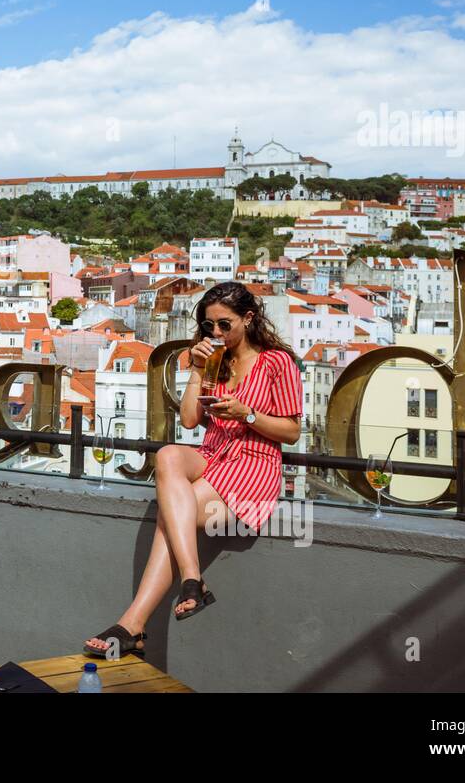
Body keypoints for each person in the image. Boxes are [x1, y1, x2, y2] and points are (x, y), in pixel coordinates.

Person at [83, 281, 302, 657]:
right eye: (208, 326)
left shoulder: (276, 363)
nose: (215, 333)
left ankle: (134, 623)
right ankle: (191, 579)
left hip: (252, 464)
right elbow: (188, 420)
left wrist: (246, 414)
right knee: (168, 453)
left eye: (224, 325)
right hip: (212, 455)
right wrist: (198, 368)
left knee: (172, 516)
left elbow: (293, 432)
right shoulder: (216, 361)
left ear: (248, 319)